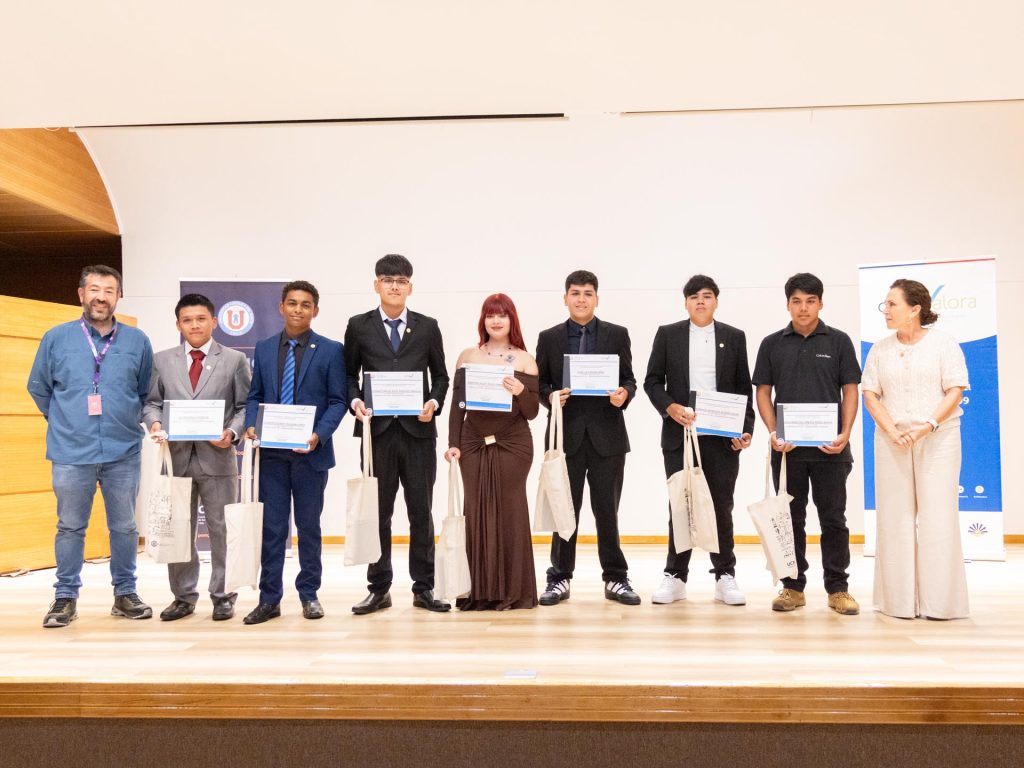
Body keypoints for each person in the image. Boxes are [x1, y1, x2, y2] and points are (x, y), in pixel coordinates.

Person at [28, 265, 154, 628]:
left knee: (125, 527)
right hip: (71, 451)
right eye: (95, 289)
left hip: (122, 450)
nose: (101, 297)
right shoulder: (56, 338)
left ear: (118, 297)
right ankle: (65, 597)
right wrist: (65, 421)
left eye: (109, 291)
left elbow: (145, 390)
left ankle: (125, 594)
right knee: (70, 526)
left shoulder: (137, 341)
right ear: (81, 294)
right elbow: (39, 387)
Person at [344, 254, 451, 614]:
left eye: (401, 280)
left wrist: (433, 402)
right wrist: (356, 401)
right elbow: (349, 376)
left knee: (421, 512)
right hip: (377, 434)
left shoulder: (427, 326)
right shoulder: (358, 326)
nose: (394, 286)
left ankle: (425, 588)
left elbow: (441, 376)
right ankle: (379, 589)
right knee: (378, 513)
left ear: (410, 287)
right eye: (388, 280)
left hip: (418, 432)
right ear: (376, 284)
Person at [752, 272, 862, 615]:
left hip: (831, 449)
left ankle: (838, 589)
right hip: (788, 452)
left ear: (821, 303)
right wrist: (773, 432)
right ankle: (792, 587)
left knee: (833, 519)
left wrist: (845, 433)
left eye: (810, 301)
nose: (803, 308)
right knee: (789, 521)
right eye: (796, 301)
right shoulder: (772, 344)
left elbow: (850, 390)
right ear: (787, 304)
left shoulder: (839, 341)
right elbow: (763, 392)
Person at [643, 274, 754, 606]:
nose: (700, 301)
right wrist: (670, 407)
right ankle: (675, 576)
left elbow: (743, 388)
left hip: (721, 436)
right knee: (680, 505)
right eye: (694, 297)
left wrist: (745, 429)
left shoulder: (734, 336)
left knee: (721, 506)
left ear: (716, 301)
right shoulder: (668, 334)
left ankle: (724, 575)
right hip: (680, 434)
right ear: (686, 303)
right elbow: (652, 381)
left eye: (707, 296)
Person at [862, 279, 970, 620]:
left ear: (915, 309)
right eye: (885, 305)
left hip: (938, 439)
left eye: (892, 304)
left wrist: (928, 425)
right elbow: (870, 394)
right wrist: (892, 430)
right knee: (894, 518)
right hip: (891, 441)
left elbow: (955, 389)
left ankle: (941, 604)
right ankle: (898, 603)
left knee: (939, 517)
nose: (886, 311)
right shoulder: (879, 349)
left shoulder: (944, 344)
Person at [142, 294, 252, 622]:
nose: (194, 325)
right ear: (178, 324)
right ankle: (183, 596)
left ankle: (223, 595)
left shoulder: (234, 360)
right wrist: (155, 424)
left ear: (214, 322)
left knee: (221, 529)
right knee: (177, 529)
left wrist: (231, 432)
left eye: (201, 319)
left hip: (217, 458)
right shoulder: (162, 360)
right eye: (187, 320)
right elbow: (151, 403)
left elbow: (245, 406)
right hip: (175, 460)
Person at [242, 280, 347, 624]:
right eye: (292, 303)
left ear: (315, 310)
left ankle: (309, 594)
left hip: (310, 455)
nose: (298, 309)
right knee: (272, 529)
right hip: (272, 455)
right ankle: (269, 599)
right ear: (281, 307)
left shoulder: (331, 350)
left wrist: (319, 435)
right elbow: (255, 395)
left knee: (309, 527)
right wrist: (252, 423)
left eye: (305, 304)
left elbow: (338, 401)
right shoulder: (264, 347)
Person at [535, 269, 640, 606]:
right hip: (565, 437)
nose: (581, 299)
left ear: (597, 298)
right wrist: (550, 396)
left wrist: (624, 394)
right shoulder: (549, 337)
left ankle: (616, 578)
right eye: (575, 293)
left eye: (588, 293)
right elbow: (540, 384)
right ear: (565, 297)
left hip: (608, 437)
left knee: (607, 511)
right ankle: (559, 577)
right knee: (564, 510)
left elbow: (629, 379)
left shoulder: (617, 334)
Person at [444, 293, 540, 610]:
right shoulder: (468, 355)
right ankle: (478, 592)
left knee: (511, 510)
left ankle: (514, 591)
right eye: (490, 315)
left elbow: (532, 412)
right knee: (475, 509)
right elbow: (457, 406)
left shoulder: (525, 360)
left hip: (514, 444)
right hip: (471, 442)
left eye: (502, 315)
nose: (496, 321)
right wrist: (453, 443)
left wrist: (522, 391)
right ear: (483, 320)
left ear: (512, 320)